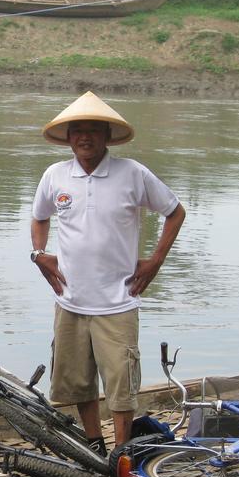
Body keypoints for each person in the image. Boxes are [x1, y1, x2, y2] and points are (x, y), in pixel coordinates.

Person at [30, 91, 185, 453]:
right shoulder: (55, 175)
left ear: (107, 136)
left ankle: (122, 452)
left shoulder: (133, 173)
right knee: (78, 382)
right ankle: (95, 444)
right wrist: (39, 254)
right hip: (70, 301)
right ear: (68, 137)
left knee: (121, 385)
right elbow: (39, 216)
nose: (85, 137)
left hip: (118, 302)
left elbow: (174, 211)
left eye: (93, 130)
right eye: (77, 131)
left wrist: (156, 259)